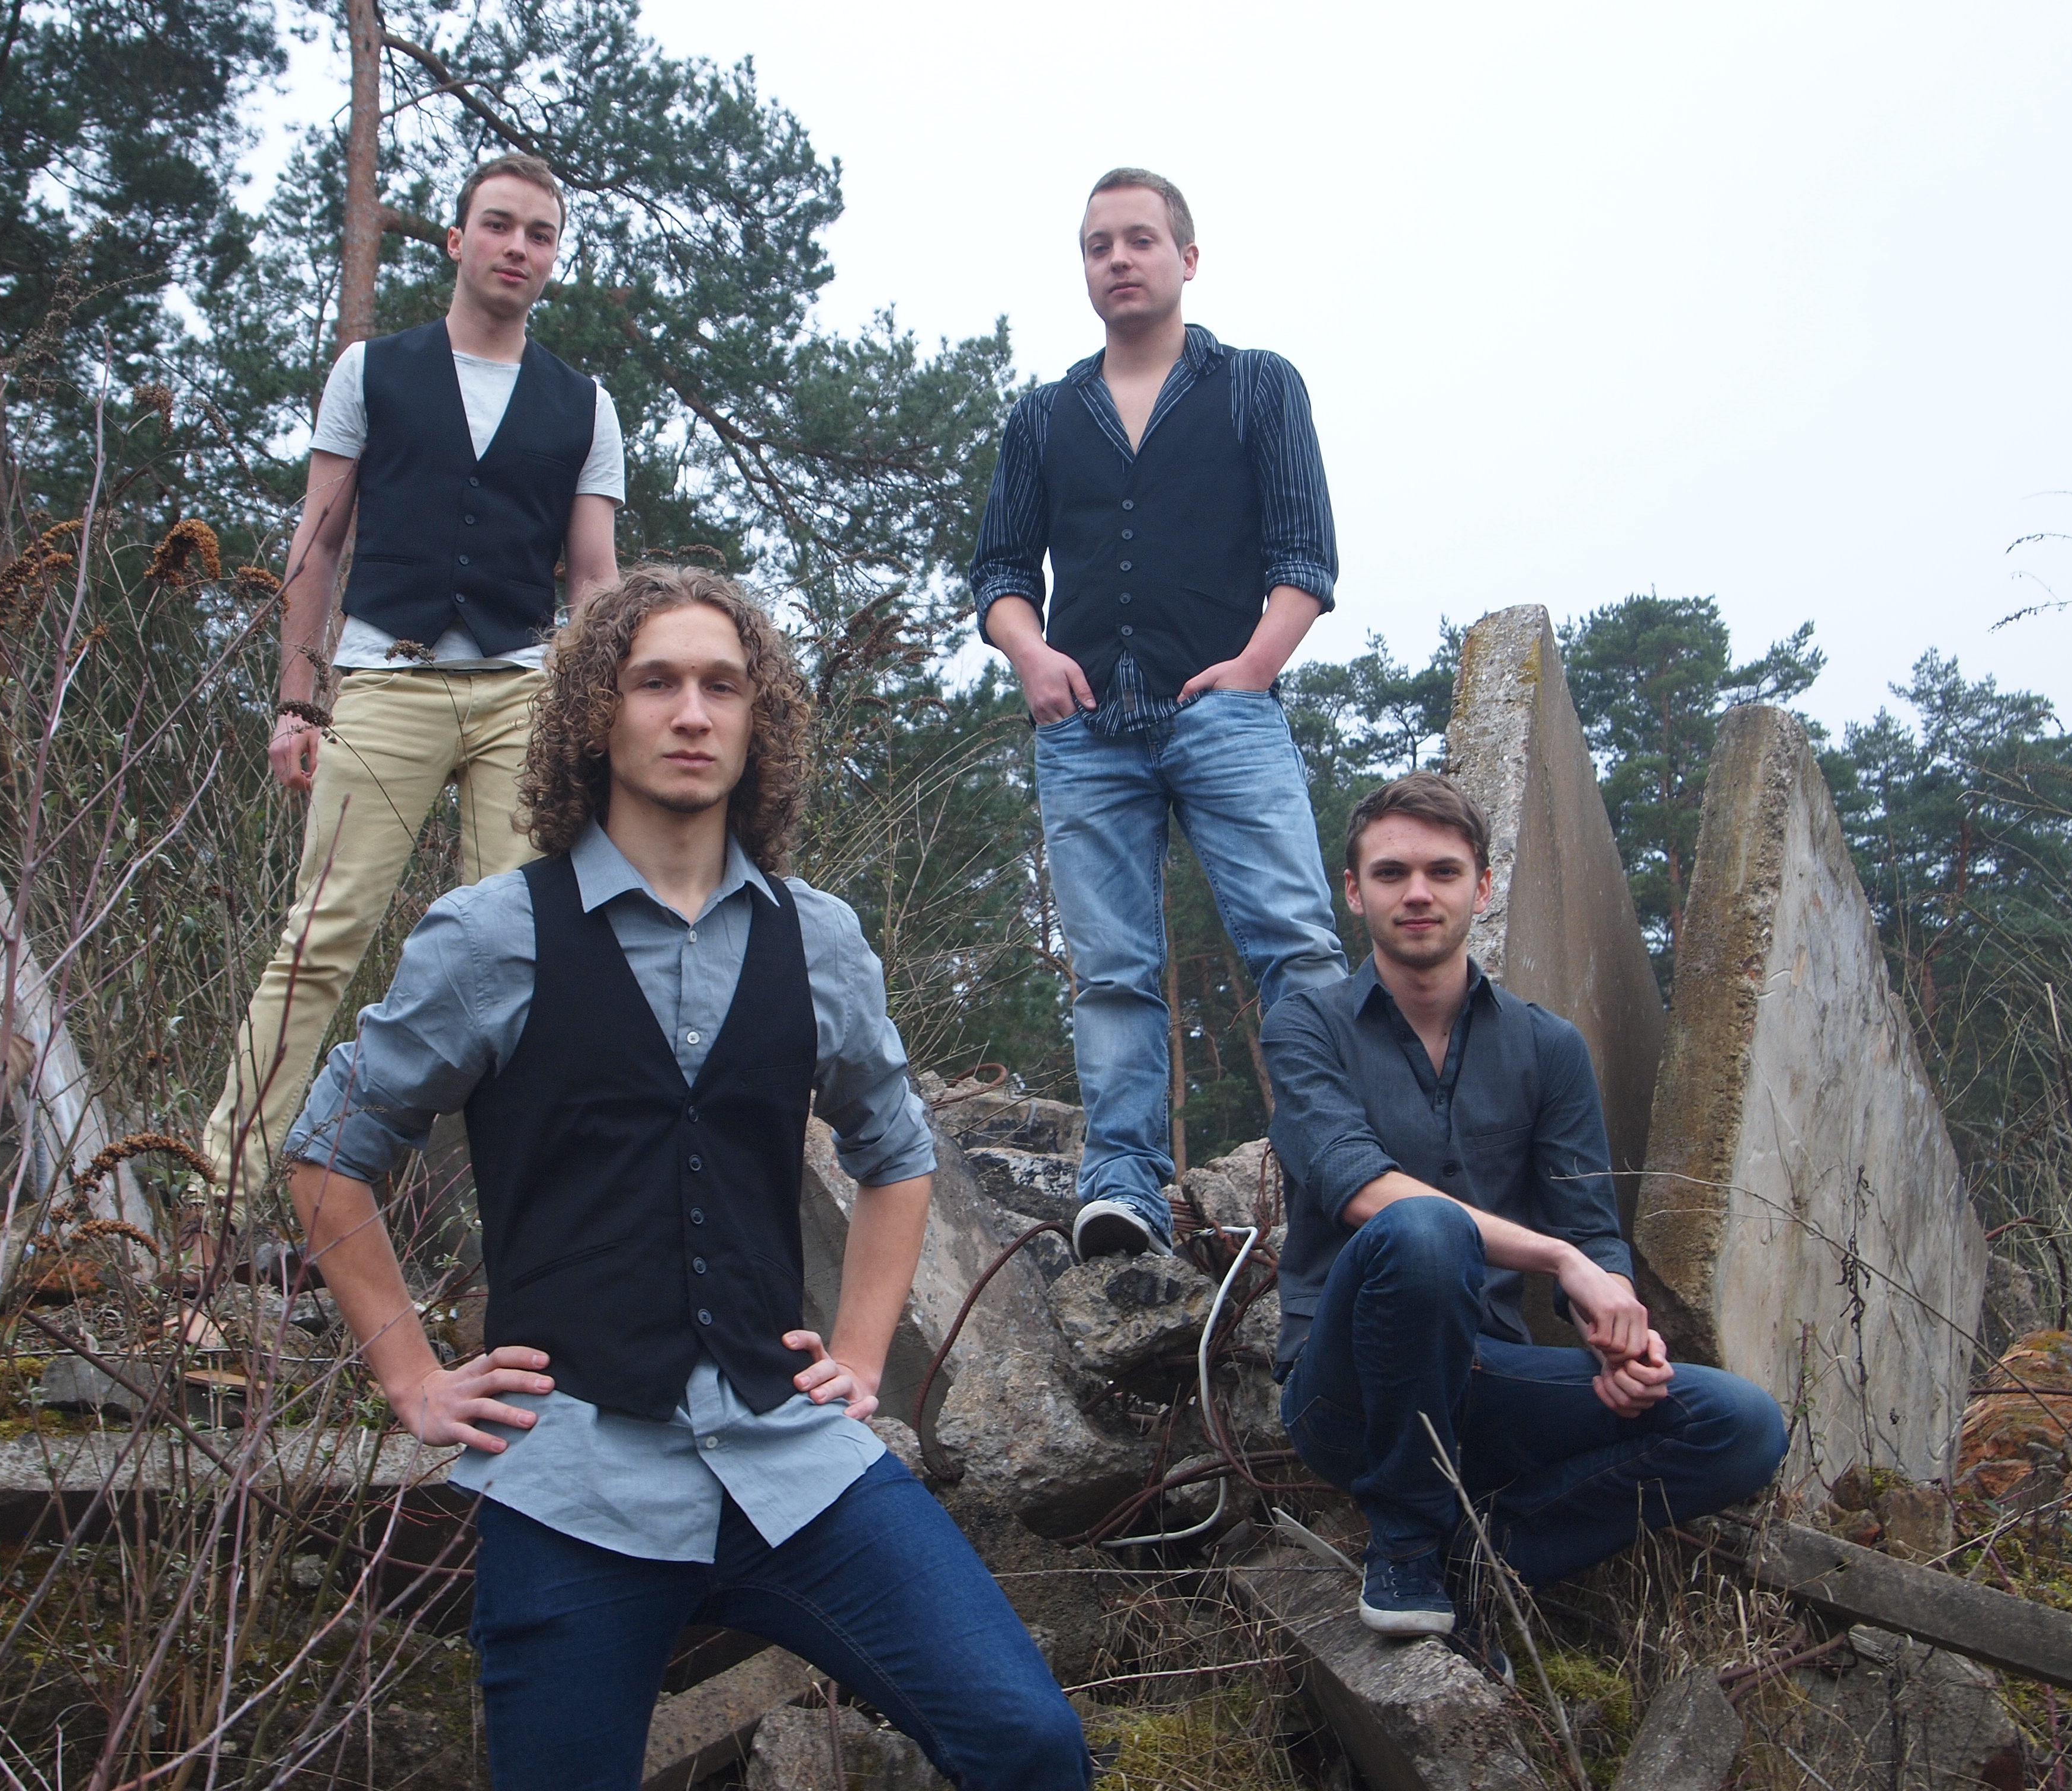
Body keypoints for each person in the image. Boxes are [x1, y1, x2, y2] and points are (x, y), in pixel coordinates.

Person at [283, 566, 1091, 1791]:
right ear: (596, 715)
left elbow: (895, 1151)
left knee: (1028, 1742)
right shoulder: (493, 933)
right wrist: (412, 1375)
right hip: (573, 1484)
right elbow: (328, 1150)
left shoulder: (819, 939)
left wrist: (860, 1357)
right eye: (655, 682)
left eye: (723, 685)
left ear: (760, 720)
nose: (693, 713)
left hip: (793, 1467)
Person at [1263, 772, 1787, 1666]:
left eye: (1443, 871)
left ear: (1482, 887)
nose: (1418, 893)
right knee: (1423, 1230)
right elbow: (1359, 1187)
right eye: (1391, 874)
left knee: (1740, 1425)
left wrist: (1618, 1327)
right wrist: (1561, 1261)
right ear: (1354, 892)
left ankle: (1481, 1565)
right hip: (1346, 1391)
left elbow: (1590, 1224)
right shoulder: (1305, 1026)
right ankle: (1404, 1544)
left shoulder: (1548, 1047)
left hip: (1489, 1378)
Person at [202, 152, 623, 1215]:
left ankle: (518, 1224)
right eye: (500, 225)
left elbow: (594, 582)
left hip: (524, 696)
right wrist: (297, 701)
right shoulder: (372, 371)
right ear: (457, 239)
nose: (518, 247)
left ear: (554, 258)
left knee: (523, 955)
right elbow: (318, 545)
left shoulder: (584, 405)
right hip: (385, 680)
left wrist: (589, 722)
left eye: (539, 234)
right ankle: (219, 1199)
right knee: (321, 936)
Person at [969, 165, 1348, 1262]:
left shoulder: (1258, 385)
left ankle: (1338, 1164)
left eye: (1139, 239)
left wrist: (1254, 669)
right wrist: (1031, 654)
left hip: (1225, 715)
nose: (1118, 259)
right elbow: (1001, 572)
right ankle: (1123, 1188)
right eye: (1099, 245)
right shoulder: (1043, 417)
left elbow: (1305, 557)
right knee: (1112, 975)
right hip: (1084, 730)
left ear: (1187, 257)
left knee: (1295, 946)